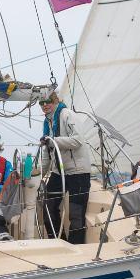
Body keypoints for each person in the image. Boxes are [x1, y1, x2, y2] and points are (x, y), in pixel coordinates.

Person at [39, 92, 91, 244]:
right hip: (58, 171)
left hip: (78, 172)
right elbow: (48, 152)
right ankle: (58, 242)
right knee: (48, 206)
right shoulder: (47, 122)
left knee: (76, 214)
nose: (44, 105)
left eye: (47, 101)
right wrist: (39, 174)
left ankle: (76, 248)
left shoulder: (67, 114)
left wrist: (52, 140)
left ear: (55, 101)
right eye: (41, 102)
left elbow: (77, 140)